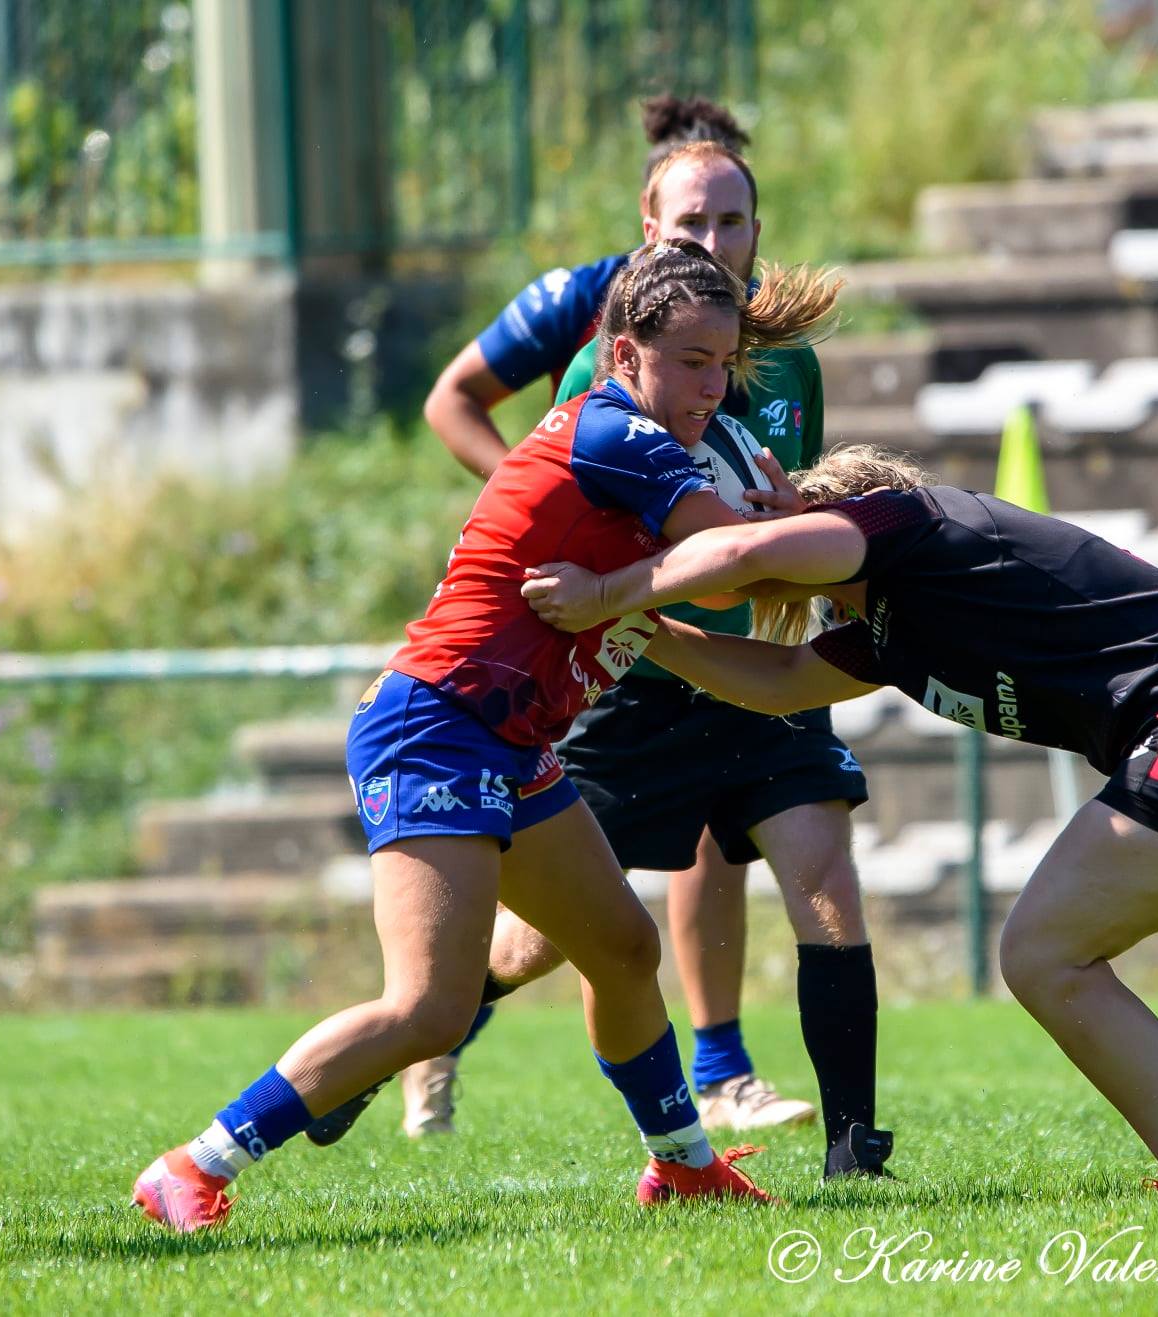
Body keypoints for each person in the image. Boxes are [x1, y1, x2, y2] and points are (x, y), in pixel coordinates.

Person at [518, 445, 1158, 1194]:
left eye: (776, 522)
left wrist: (616, 583)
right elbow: (779, 683)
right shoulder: (892, 625)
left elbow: (760, 548)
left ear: (831, 510)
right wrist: (642, 628)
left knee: (1043, 955)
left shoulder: (903, 527)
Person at [130, 241, 836, 1233]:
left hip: (505, 742)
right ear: (624, 353)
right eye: (690, 361)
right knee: (428, 1007)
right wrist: (777, 530)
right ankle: (193, 1167)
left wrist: (758, 536)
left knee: (622, 948)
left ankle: (682, 1165)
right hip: (438, 725)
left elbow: (721, 568)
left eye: (722, 364)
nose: (710, 387)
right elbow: (723, 577)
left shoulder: (656, 448)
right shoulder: (616, 433)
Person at [385, 97, 879, 1171]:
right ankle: (430, 1026)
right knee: (558, 935)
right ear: (648, 228)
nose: (714, 242)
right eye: (692, 223)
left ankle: (839, 1137)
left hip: (739, 666)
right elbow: (479, 418)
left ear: (758, 229)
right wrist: (600, 574)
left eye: (735, 221)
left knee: (813, 863)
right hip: (636, 661)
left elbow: (772, 513)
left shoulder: (782, 360)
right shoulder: (598, 347)